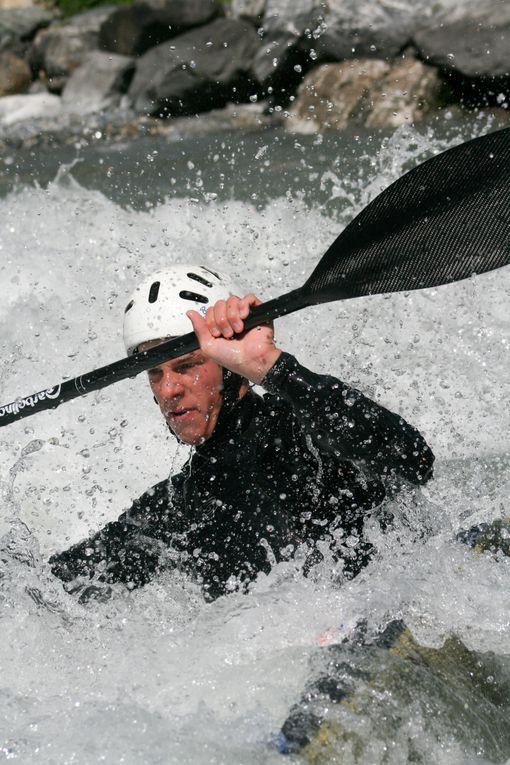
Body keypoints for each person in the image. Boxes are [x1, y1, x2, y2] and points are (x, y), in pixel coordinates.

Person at [50, 265, 434, 602]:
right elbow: (54, 590)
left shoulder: (301, 429)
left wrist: (272, 366)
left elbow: (414, 460)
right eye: (156, 373)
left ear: (229, 367)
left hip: (398, 604)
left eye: (186, 365)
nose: (169, 390)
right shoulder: (177, 510)